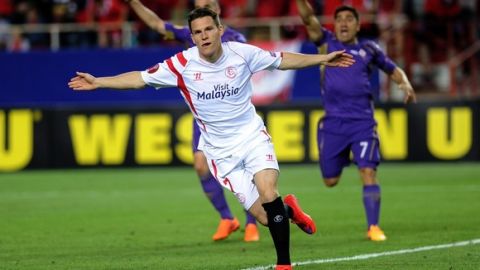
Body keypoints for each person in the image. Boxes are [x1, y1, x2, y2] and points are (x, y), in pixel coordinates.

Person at [69, 8, 354, 269]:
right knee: (268, 216)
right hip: (220, 153)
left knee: (268, 192)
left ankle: (284, 264)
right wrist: (99, 81)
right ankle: (290, 208)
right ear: (191, 37)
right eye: (198, 32)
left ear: (220, 29)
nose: (204, 35)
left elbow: (282, 61)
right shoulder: (181, 64)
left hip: (252, 137)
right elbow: (139, 79)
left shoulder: (241, 52)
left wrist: (323, 58)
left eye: (208, 29)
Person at [125, 0, 256, 242]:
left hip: (232, 117)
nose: (203, 8)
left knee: (245, 168)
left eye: (207, 4)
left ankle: (252, 222)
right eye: (199, 5)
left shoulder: (236, 40)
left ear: (217, 9)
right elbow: (156, 24)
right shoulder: (190, 35)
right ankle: (227, 218)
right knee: (200, 165)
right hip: (204, 117)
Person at [295, 0, 416, 241]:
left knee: (368, 172)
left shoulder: (369, 49)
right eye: (339, 19)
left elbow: (392, 69)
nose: (343, 23)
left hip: (362, 123)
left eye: (349, 19)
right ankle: (347, 156)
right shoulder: (326, 44)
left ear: (358, 26)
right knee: (330, 180)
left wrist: (405, 84)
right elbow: (308, 19)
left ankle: (373, 227)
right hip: (333, 125)